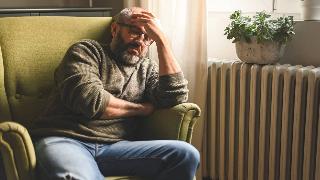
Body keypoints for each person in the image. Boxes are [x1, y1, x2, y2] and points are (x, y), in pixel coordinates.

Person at [31, 7, 200, 180]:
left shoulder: (147, 68)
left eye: (148, 37)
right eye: (135, 32)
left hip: (116, 148)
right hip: (66, 139)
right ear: (115, 29)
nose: (140, 42)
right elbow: (92, 102)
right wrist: (143, 109)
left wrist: (162, 41)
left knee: (186, 154)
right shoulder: (87, 51)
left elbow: (175, 96)